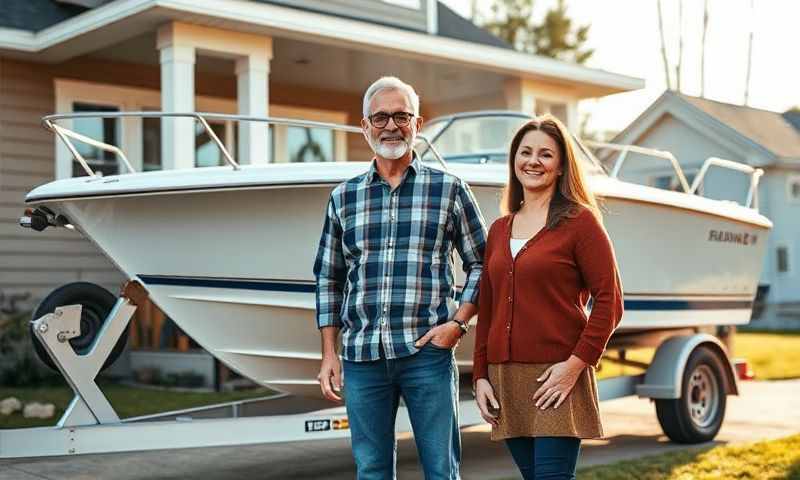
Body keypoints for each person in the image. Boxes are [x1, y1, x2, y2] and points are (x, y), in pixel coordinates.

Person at [313, 76, 487, 480]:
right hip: (361, 358)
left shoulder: (450, 190)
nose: (391, 126)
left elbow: (482, 263)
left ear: (418, 123)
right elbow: (328, 278)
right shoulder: (344, 197)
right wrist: (329, 353)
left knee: (441, 470)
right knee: (372, 470)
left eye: (400, 116)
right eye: (380, 117)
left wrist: (458, 325)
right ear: (365, 126)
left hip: (426, 353)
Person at [472, 115, 623, 480]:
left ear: (560, 167)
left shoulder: (580, 223)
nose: (533, 161)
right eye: (525, 152)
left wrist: (574, 367)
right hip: (505, 377)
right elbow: (488, 309)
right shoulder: (498, 229)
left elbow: (610, 301)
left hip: (557, 376)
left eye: (545, 154)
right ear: (513, 161)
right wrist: (480, 377)